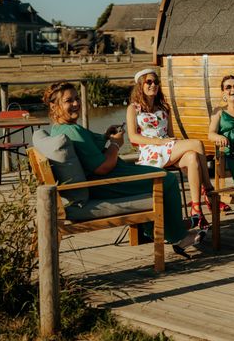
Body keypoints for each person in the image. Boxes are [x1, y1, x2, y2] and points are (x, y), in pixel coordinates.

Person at [43, 81, 200, 257]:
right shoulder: (72, 131)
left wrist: (105, 136)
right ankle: (178, 236)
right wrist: (116, 145)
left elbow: (87, 147)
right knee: (167, 179)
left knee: (152, 172)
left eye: (77, 98)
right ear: (53, 105)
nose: (76, 104)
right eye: (68, 101)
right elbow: (102, 167)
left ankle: (160, 227)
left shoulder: (61, 129)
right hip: (107, 182)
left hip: (105, 179)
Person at [126, 68, 223, 225]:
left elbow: (170, 133)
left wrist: (172, 143)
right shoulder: (133, 108)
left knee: (192, 156)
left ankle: (196, 209)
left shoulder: (164, 107)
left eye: (156, 82)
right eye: (149, 82)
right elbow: (133, 137)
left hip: (168, 146)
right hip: (151, 150)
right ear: (140, 85)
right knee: (197, 143)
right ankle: (209, 190)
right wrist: (160, 142)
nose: (153, 85)